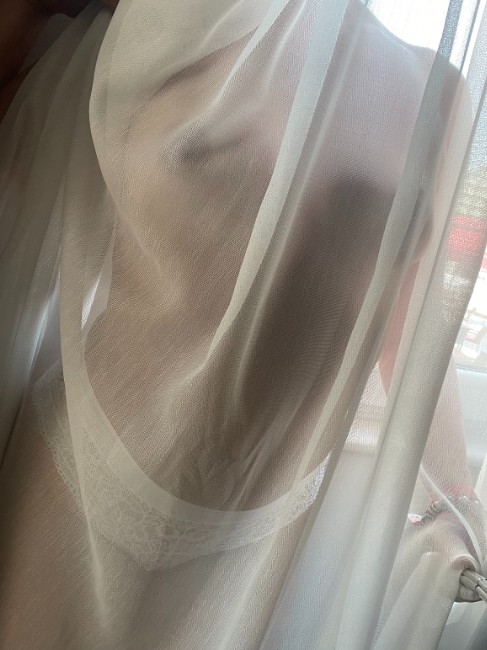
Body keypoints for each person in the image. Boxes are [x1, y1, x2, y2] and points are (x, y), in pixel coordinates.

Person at [0, 1, 481, 648]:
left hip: (265, 524)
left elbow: (412, 320)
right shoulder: (175, 22)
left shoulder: (439, 93)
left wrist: (454, 498)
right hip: (85, 470)